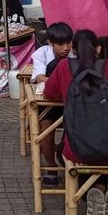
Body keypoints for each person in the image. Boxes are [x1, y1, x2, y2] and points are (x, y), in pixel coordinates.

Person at [44, 29, 108, 215]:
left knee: (65, 149)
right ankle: (101, 188)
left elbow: (48, 92)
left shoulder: (63, 68)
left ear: (74, 50)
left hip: (78, 151)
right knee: (106, 138)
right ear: (98, 48)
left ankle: (88, 193)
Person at [29, 22, 74, 186]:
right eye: (61, 44)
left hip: (71, 102)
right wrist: (61, 83)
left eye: (69, 42)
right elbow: (40, 77)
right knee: (45, 135)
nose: (66, 48)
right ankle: (51, 166)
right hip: (48, 102)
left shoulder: (75, 55)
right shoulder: (41, 53)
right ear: (50, 43)